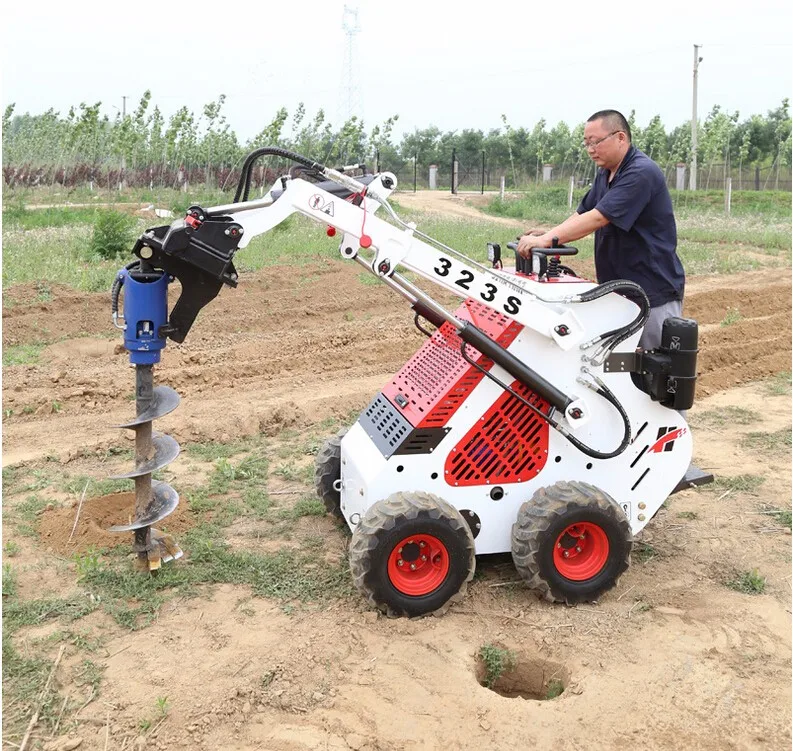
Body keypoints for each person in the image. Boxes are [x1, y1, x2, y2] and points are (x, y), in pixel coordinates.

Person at [516, 109, 685, 351]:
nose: (590, 149)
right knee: (622, 370)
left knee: (654, 368)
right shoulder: (605, 174)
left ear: (620, 138)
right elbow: (583, 213)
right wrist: (547, 236)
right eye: (586, 143)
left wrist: (547, 239)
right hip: (620, 290)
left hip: (651, 290)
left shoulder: (640, 172)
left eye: (596, 142)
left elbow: (598, 218)